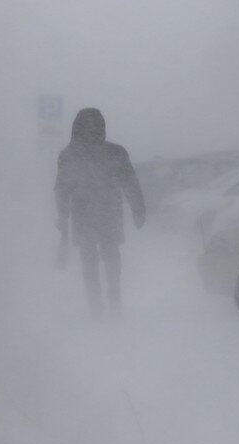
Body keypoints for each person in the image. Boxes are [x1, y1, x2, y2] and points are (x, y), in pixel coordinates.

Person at [54, 107, 146, 318]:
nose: (91, 128)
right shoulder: (108, 152)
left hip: (99, 212)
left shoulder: (74, 155)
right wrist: (138, 209)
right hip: (95, 212)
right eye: (87, 124)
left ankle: (110, 300)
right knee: (96, 259)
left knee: (107, 257)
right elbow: (62, 188)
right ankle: (99, 303)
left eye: (94, 124)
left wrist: (138, 208)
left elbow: (130, 182)